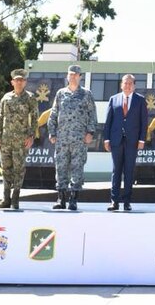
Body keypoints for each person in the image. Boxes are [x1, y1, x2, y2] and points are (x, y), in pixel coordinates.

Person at [47, 64, 97, 211]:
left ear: (80, 77)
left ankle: (73, 200)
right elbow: (54, 114)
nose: (73, 76)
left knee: (77, 168)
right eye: (71, 74)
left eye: (76, 74)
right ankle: (61, 199)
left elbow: (92, 115)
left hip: (79, 139)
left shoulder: (86, 94)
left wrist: (90, 132)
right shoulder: (60, 93)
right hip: (62, 139)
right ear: (67, 76)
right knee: (61, 168)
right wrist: (52, 132)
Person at [0, 69, 38, 211]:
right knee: (5, 169)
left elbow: (35, 119)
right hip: (6, 139)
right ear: (12, 82)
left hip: (21, 140)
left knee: (19, 169)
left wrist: (31, 136)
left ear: (25, 82)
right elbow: (1, 118)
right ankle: (6, 198)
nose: (19, 82)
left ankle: (15, 198)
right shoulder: (6, 98)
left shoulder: (30, 98)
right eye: (17, 80)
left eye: (22, 80)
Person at [102, 74, 146, 212]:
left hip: (132, 141)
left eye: (130, 83)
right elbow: (108, 121)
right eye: (125, 83)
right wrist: (106, 139)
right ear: (121, 84)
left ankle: (127, 201)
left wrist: (141, 139)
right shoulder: (113, 99)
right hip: (116, 140)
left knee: (129, 171)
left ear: (134, 85)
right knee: (116, 171)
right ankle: (114, 201)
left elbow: (144, 122)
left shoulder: (140, 100)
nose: (127, 85)